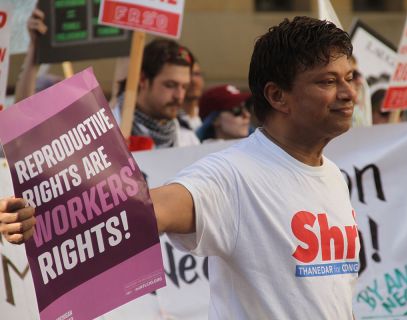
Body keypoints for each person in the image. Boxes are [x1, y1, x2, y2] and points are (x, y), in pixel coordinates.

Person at [0, 17, 359, 319]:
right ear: (277, 95)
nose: (348, 92)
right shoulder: (232, 176)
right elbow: (147, 211)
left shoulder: (332, 176)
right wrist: (42, 216)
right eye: (328, 81)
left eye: (349, 77)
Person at [113, 39, 200, 149]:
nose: (179, 96)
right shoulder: (106, 133)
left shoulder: (189, 141)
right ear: (143, 80)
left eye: (184, 87)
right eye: (170, 85)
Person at [179, 49, 205, 131]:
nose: (193, 80)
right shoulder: (170, 123)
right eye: (188, 74)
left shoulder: (208, 117)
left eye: (197, 74)